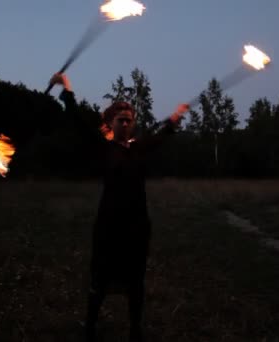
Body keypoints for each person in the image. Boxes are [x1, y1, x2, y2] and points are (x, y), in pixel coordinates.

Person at [49, 73, 189, 342]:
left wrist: (176, 115)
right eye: (121, 120)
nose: (126, 123)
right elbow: (77, 121)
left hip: (137, 226)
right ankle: (89, 328)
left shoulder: (139, 148)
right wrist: (66, 87)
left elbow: (162, 136)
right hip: (108, 226)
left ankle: (135, 331)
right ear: (111, 124)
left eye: (130, 120)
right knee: (99, 281)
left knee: (136, 281)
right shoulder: (103, 148)